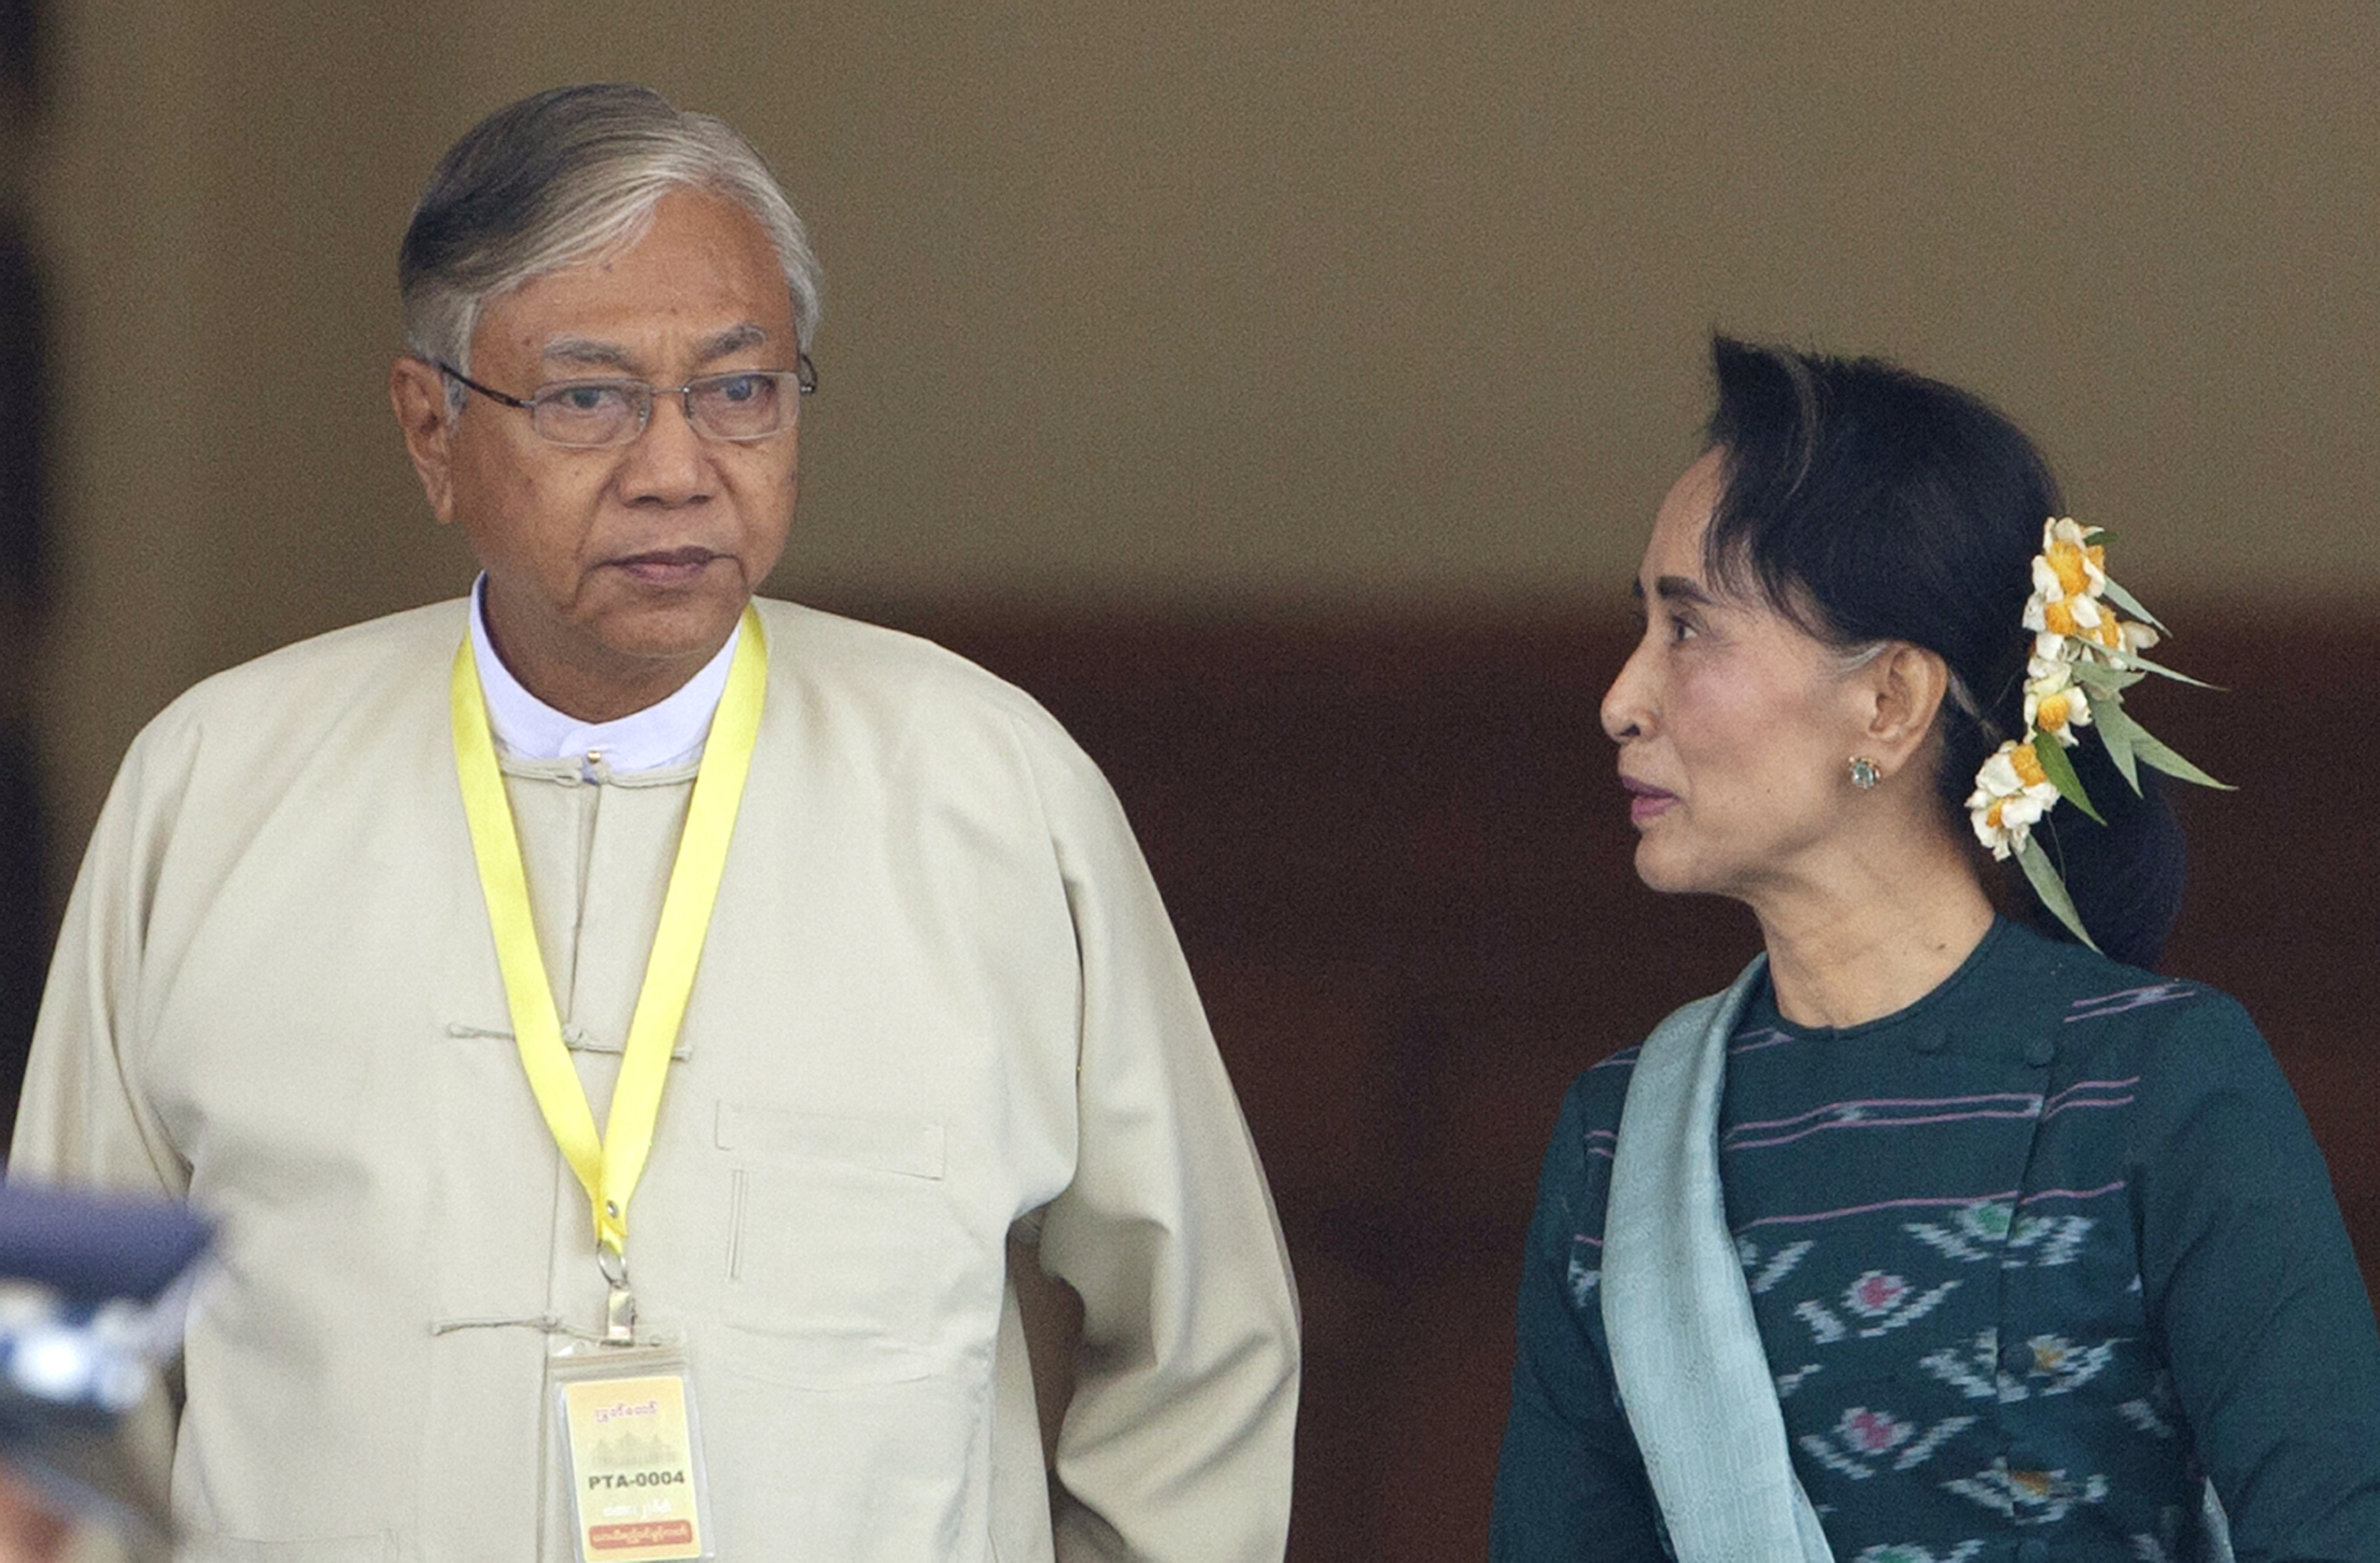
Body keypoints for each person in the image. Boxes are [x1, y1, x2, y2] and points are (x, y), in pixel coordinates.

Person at [9, 83, 1299, 1562]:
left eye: (739, 389)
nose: (678, 465)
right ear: (431, 428)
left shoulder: (993, 795)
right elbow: (56, 1368)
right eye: (587, 397)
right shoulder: (215, 789)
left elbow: (1204, 1346)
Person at [1491, 337, 2380, 1561]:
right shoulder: (1616, 1146)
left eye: (1689, 629)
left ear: (1891, 701)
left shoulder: (2158, 1088)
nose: (1622, 696)